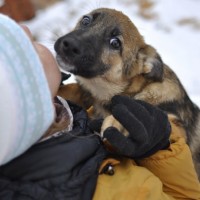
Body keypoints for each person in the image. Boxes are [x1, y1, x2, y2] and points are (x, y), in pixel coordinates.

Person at [0, 14, 199, 200]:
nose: (25, 29)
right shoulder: (118, 189)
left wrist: (53, 92)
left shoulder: (40, 115)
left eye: (86, 21)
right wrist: (160, 150)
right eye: (26, 53)